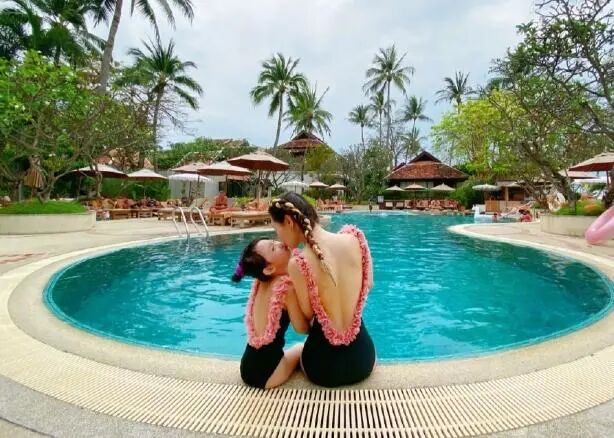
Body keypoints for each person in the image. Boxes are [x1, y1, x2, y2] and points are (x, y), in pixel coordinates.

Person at [268, 192, 376, 387]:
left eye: (276, 229)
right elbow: (369, 284)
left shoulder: (298, 264)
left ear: (289, 222)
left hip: (322, 367)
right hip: (363, 360)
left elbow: (308, 318)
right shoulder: (356, 239)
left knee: (298, 348)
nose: (279, 238)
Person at [232, 238, 308, 389]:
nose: (281, 243)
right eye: (274, 248)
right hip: (267, 374)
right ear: (268, 269)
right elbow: (301, 329)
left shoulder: (259, 283)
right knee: (301, 347)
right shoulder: (286, 288)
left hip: (246, 366)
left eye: (274, 241)